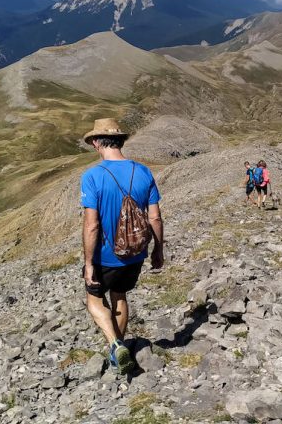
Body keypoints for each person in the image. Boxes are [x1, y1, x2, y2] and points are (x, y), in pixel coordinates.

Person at [80, 118, 165, 375]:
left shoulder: (93, 176)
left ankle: (116, 344)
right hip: (135, 254)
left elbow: (92, 225)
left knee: (94, 300)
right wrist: (158, 250)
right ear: (121, 141)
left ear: (96, 143)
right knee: (120, 296)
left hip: (105, 256)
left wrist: (88, 263)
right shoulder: (143, 172)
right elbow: (155, 217)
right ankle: (120, 350)